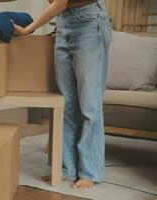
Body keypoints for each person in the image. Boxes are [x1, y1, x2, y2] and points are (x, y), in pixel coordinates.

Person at [14, 0, 112, 189]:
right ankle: (66, 170)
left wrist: (29, 28)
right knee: (66, 105)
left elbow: (60, 2)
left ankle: (89, 171)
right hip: (64, 23)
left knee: (89, 105)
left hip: (90, 22)